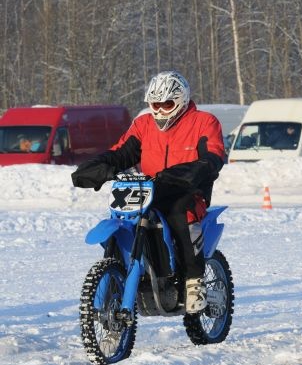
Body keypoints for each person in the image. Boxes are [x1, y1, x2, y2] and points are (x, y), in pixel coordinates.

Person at [70, 71, 225, 313]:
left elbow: (213, 156)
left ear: (182, 101)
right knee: (123, 216)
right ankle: (124, 270)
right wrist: (94, 167)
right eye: (155, 104)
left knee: (179, 212)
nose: (160, 110)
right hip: (148, 187)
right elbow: (121, 153)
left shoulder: (204, 122)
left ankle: (194, 280)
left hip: (187, 189)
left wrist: (192, 171)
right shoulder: (143, 125)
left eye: (167, 104)